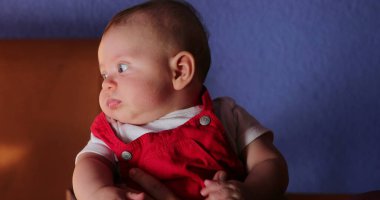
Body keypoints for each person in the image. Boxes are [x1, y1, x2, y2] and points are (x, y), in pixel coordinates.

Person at [72, 0, 288, 200]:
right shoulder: (114, 130)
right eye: (104, 74)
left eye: (122, 68)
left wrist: (249, 191)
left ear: (180, 71)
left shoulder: (226, 115)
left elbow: (270, 163)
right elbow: (88, 164)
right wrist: (97, 193)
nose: (106, 83)